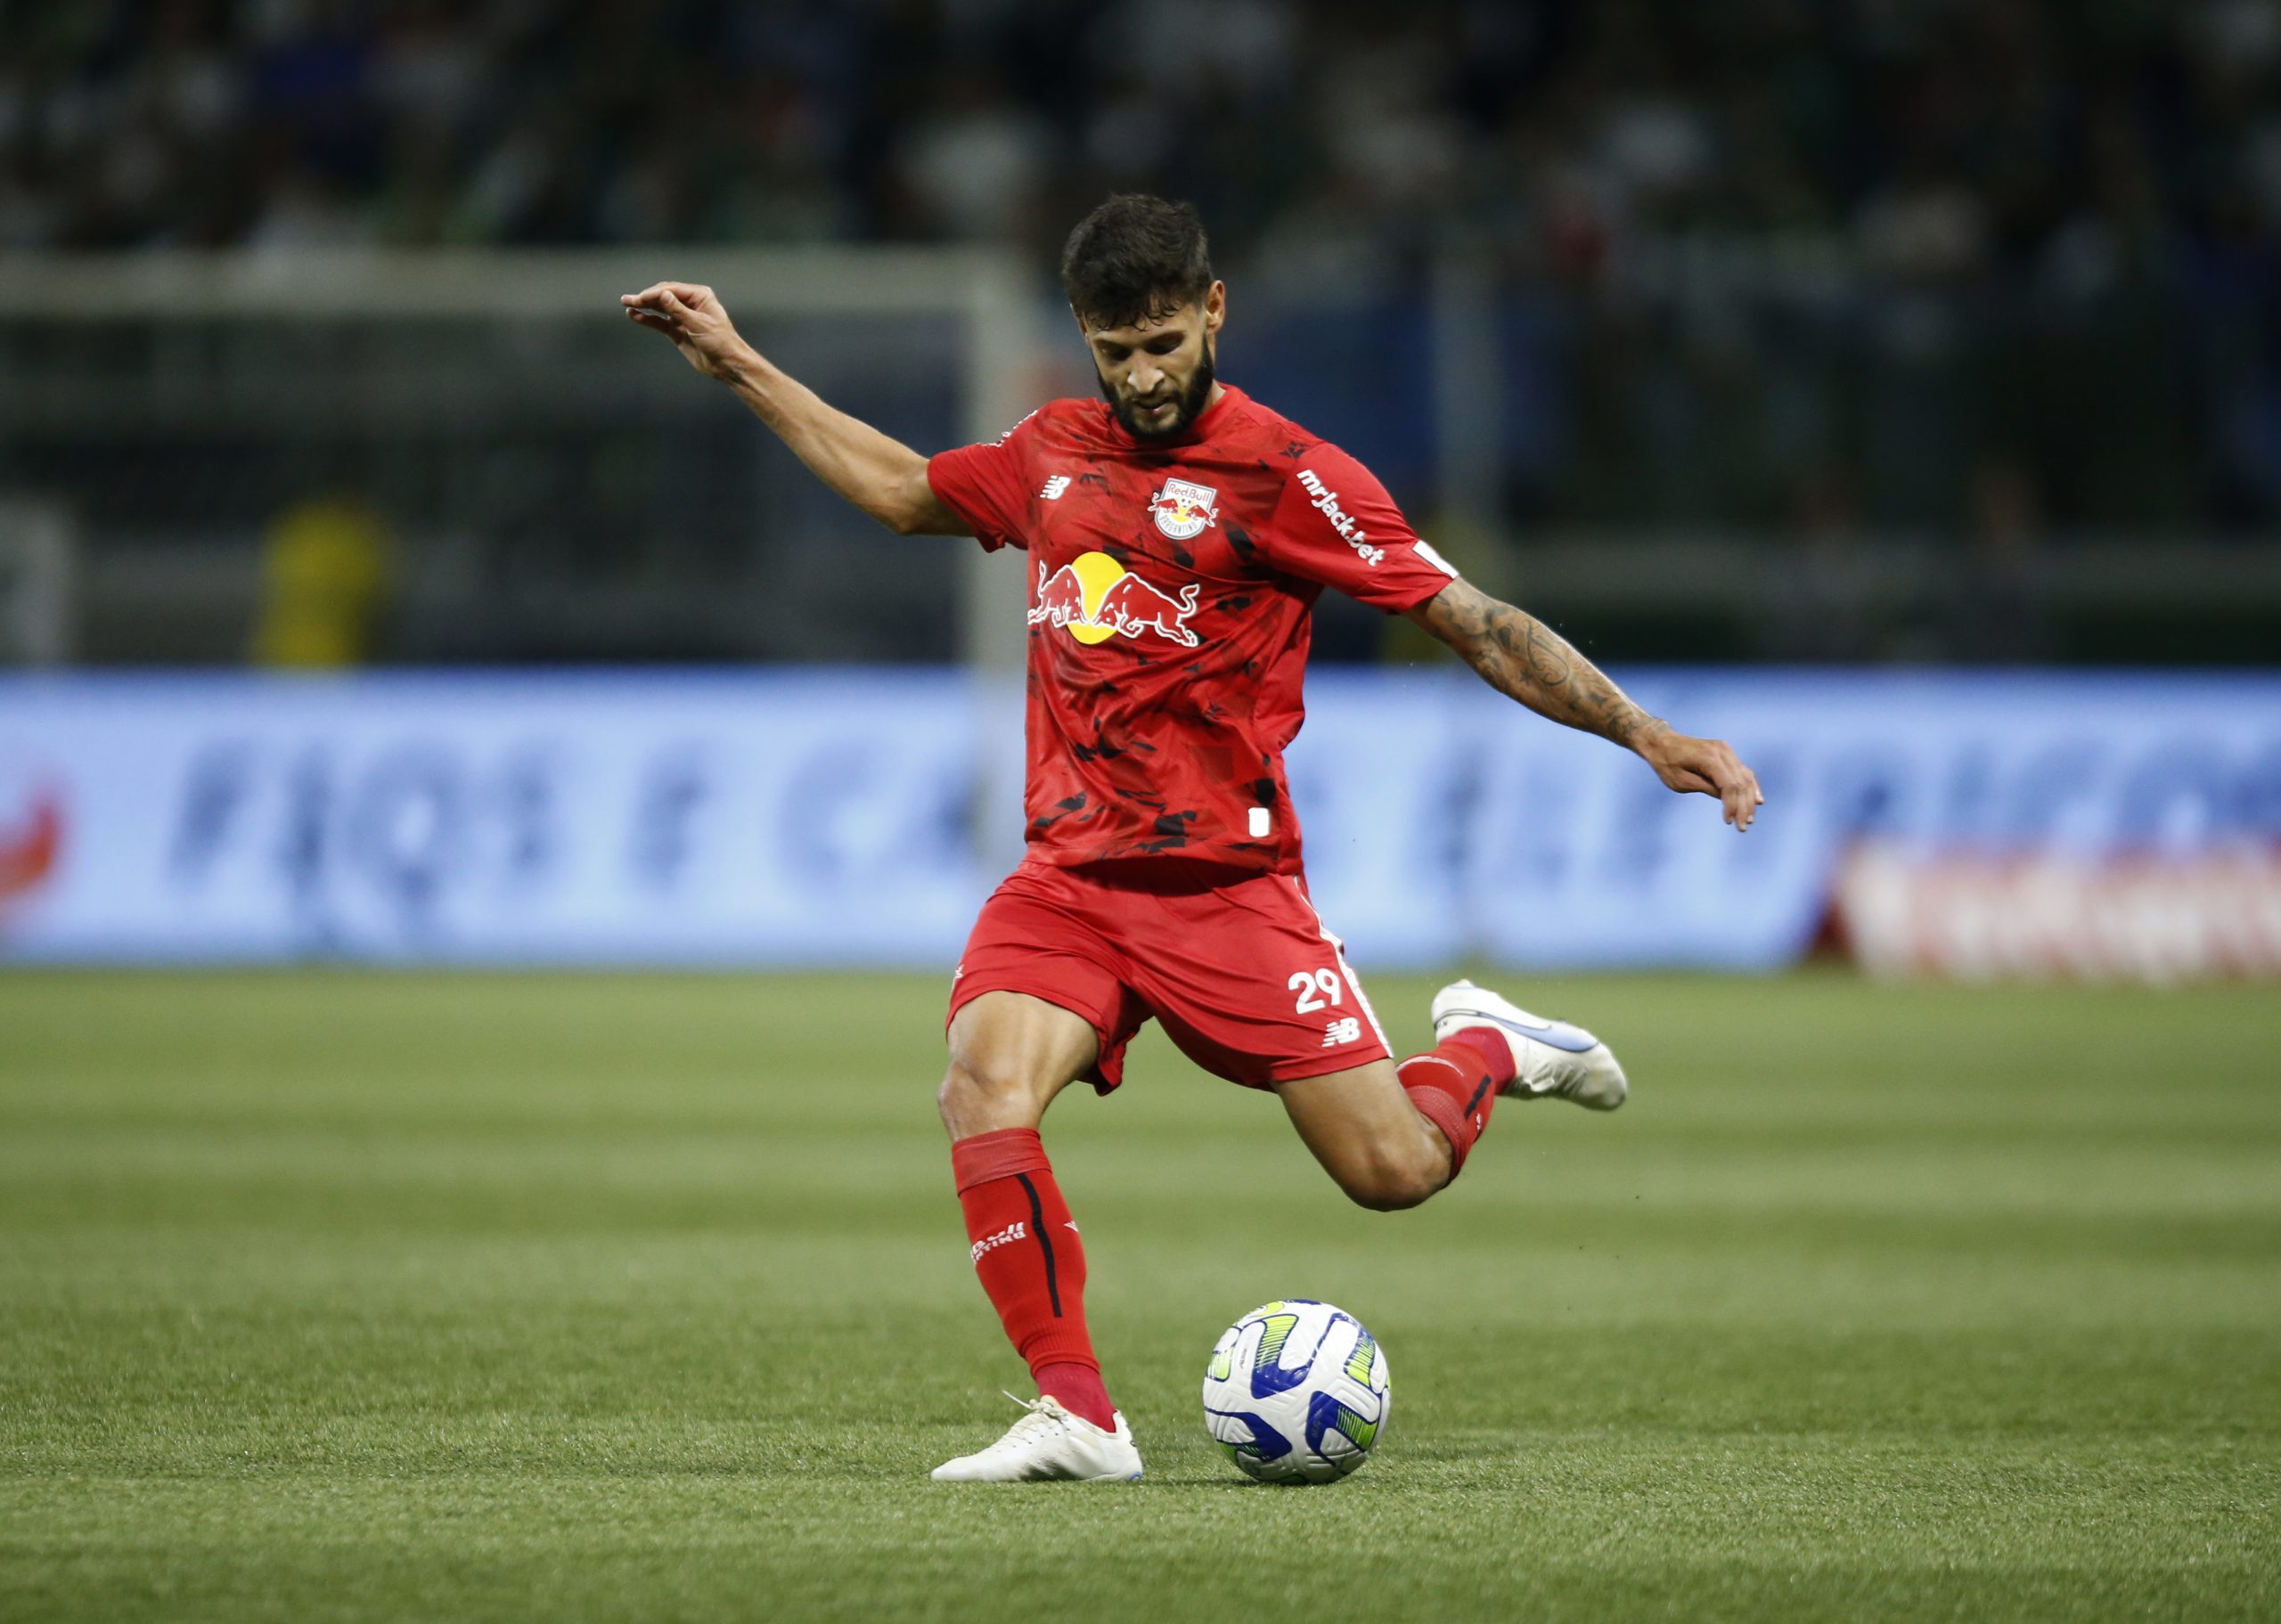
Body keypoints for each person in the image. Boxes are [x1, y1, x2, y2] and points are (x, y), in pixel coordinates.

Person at [624, 194, 1762, 1483]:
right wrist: (738, 363)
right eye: (1117, 351)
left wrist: (1643, 732)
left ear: (1213, 311)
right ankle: (1078, 1416)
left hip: (1229, 888)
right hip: (1069, 878)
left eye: (1164, 342)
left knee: (1393, 1172)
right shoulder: (1052, 452)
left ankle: (1491, 1044)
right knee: (981, 1087)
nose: (1144, 375)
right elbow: (898, 491)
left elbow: (1475, 620)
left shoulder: (1294, 477)